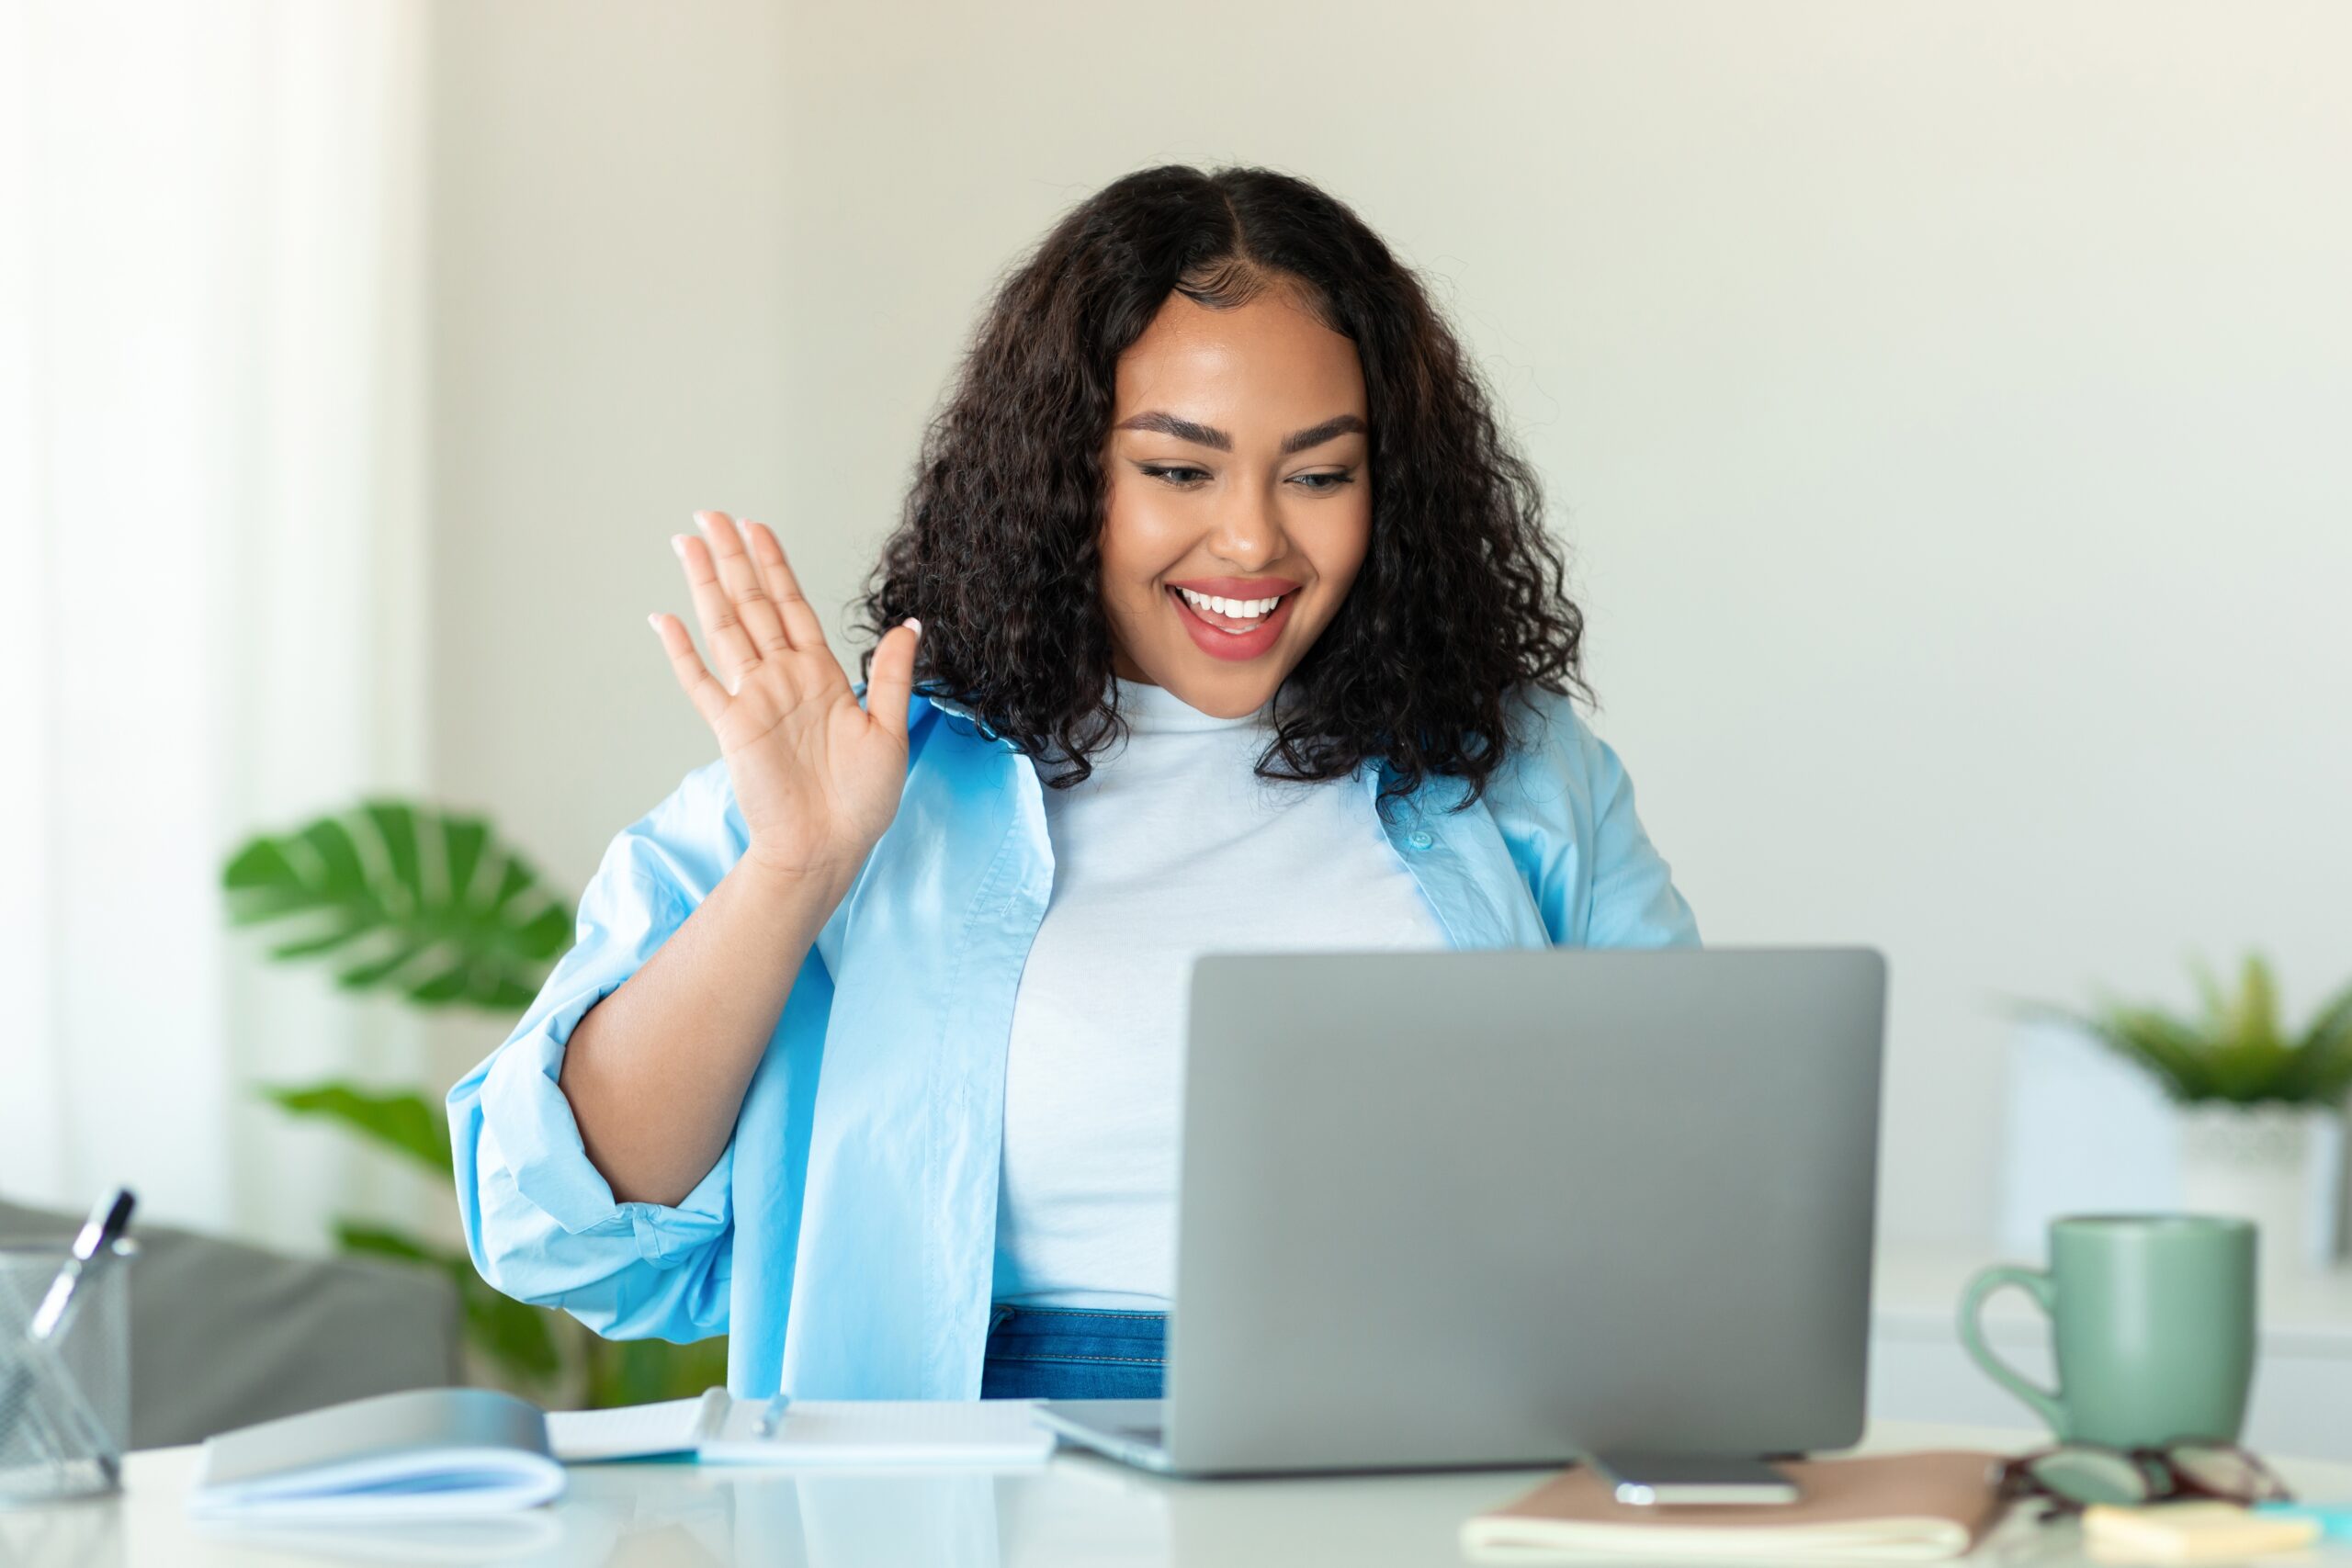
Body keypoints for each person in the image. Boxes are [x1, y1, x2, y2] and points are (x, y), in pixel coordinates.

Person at [448, 164, 1701, 1404]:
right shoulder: (863, 771)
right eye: (1178, 470)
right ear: (1063, 476)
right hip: (968, 1499)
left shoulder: (1518, 771)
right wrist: (793, 871)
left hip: (1427, 1466)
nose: (1256, 538)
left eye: (1319, 475)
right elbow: (558, 1232)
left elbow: (1700, 1184)